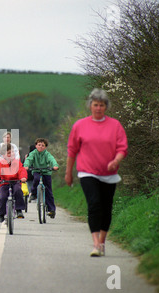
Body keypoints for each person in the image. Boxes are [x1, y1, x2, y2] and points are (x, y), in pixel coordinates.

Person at [65, 88, 128, 257]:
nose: (98, 108)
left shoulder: (115, 125)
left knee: (106, 207)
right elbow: (72, 151)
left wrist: (116, 160)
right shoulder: (80, 125)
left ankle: (102, 241)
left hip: (109, 174)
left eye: (101, 105)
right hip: (87, 172)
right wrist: (68, 173)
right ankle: (95, 244)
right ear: (90, 106)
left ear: (106, 107)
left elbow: (122, 147)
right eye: (95, 105)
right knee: (94, 204)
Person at [23, 138, 59, 218]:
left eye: (43, 145)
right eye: (39, 145)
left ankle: (51, 210)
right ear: (36, 146)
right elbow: (29, 159)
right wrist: (26, 165)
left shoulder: (47, 154)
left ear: (45, 147)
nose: (41, 147)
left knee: (48, 191)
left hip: (46, 172)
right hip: (36, 171)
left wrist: (55, 165)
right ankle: (34, 193)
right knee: (36, 179)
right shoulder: (33, 153)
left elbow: (52, 160)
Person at [0, 143, 27, 221]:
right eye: (9, 153)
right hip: (4, 183)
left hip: (15, 182)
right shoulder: (1, 164)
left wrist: (23, 177)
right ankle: (1, 213)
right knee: (3, 197)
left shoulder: (17, 163)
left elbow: (22, 171)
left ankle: (19, 210)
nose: (11, 154)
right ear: (3, 156)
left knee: (18, 191)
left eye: (13, 152)